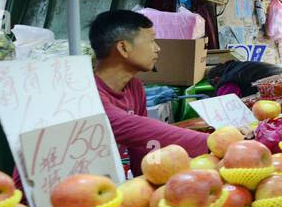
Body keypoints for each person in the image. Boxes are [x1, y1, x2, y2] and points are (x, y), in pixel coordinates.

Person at [90, 10, 210, 175]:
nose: (158, 49)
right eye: (152, 41)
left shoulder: (134, 87)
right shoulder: (89, 94)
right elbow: (135, 128)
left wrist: (151, 179)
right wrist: (212, 142)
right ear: (123, 47)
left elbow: (142, 144)